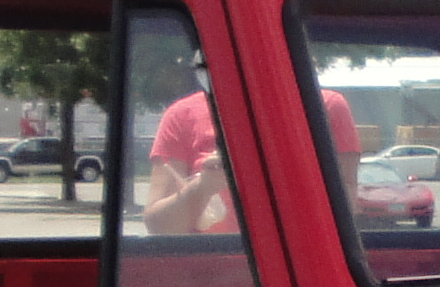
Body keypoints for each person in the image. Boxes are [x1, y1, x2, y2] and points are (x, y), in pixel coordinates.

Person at [141, 85, 356, 237]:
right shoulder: (182, 115)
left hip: (301, 268)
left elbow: (345, 209)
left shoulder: (325, 107)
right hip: (209, 274)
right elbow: (159, 228)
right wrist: (202, 187)